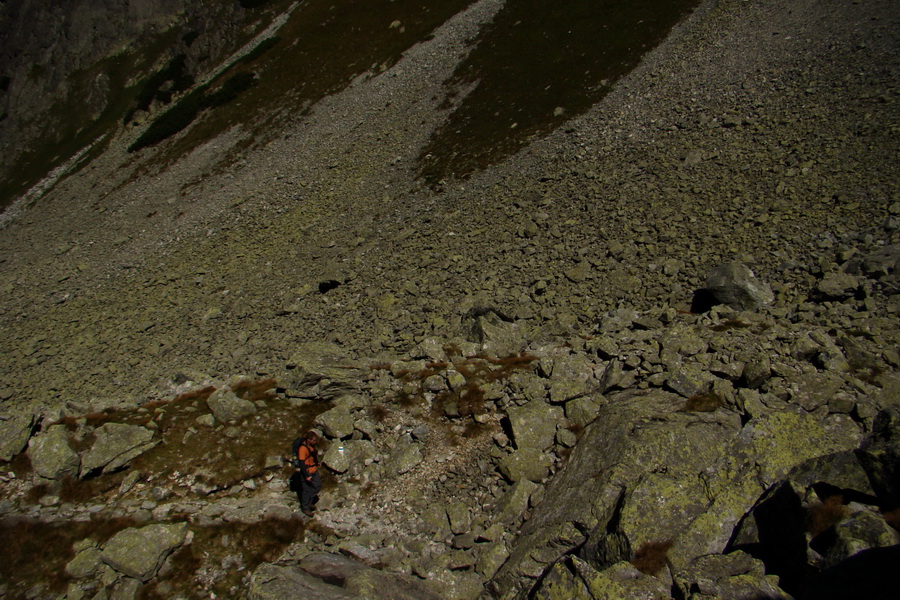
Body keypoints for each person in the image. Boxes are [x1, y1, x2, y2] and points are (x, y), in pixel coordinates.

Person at [291, 431, 321, 517]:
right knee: (306, 490)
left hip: (313, 469)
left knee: (318, 485)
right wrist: (307, 475)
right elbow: (302, 463)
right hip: (307, 471)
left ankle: (309, 501)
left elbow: (313, 455)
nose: (315, 442)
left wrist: (317, 463)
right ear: (308, 440)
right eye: (313, 440)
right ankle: (305, 508)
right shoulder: (302, 449)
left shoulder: (311, 446)